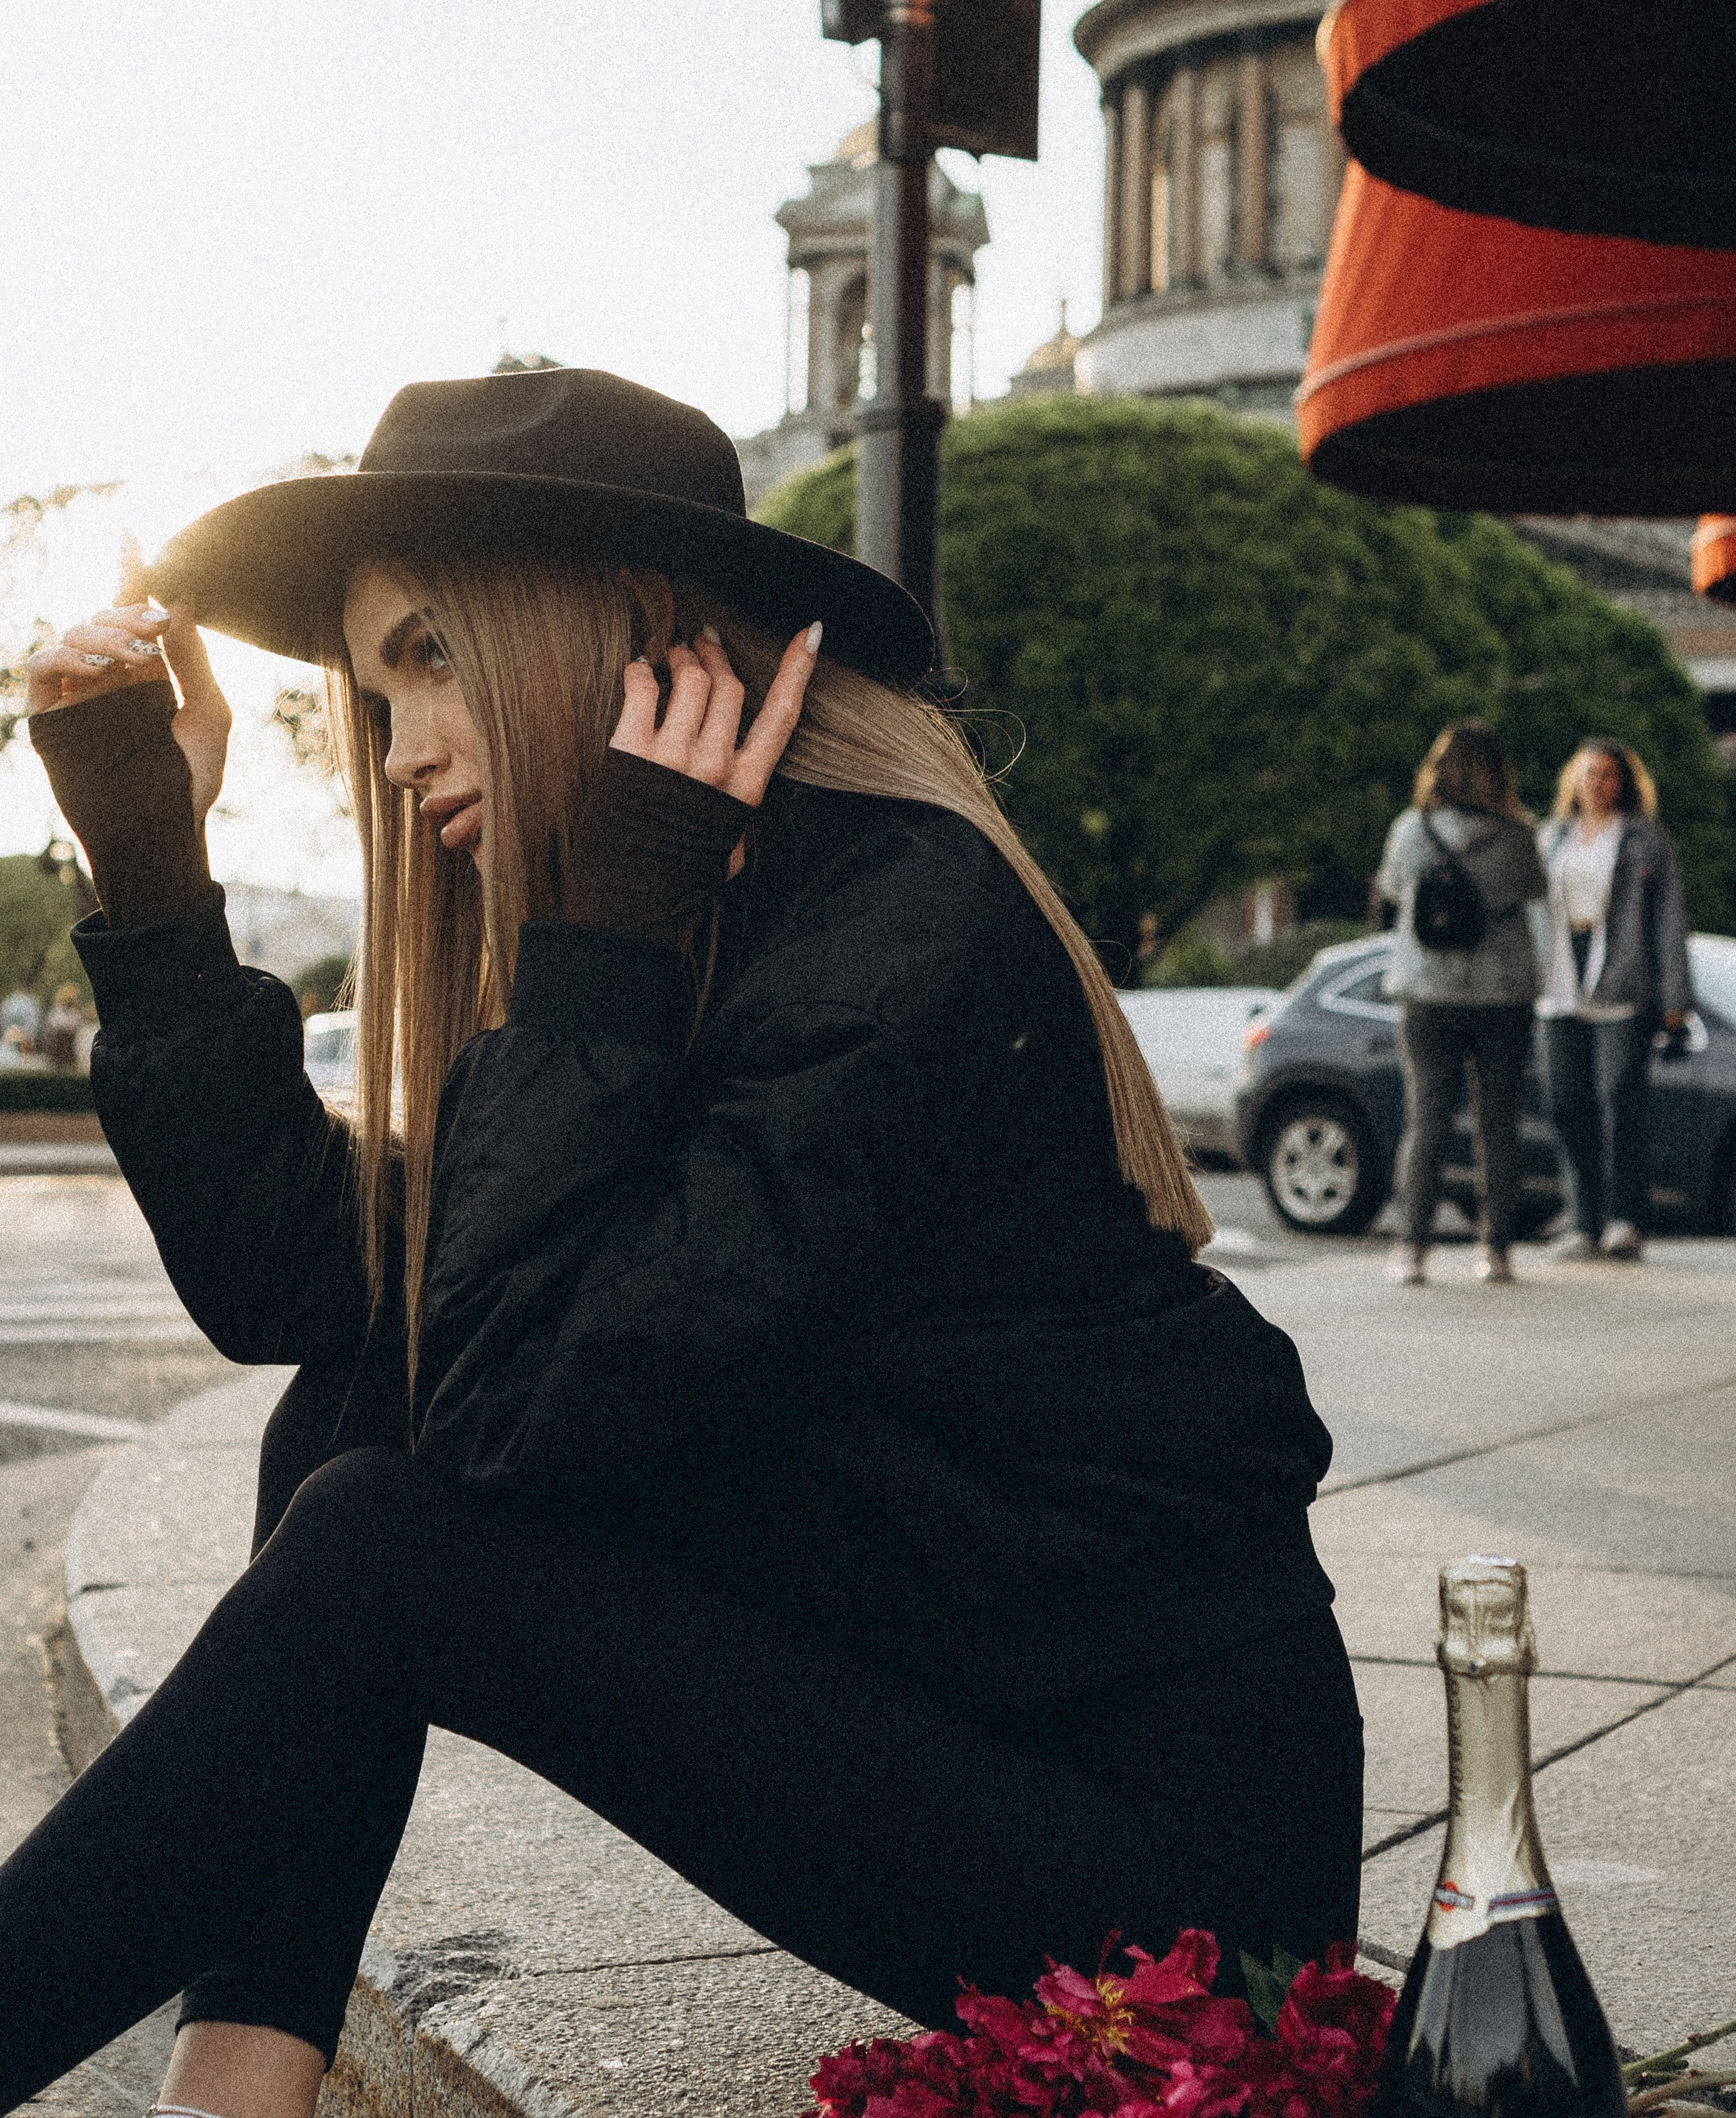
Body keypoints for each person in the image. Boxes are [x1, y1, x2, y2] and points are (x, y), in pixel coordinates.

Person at [0, 370, 1363, 2114]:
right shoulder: (661, 911)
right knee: (345, 1399)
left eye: (429, 652)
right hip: (944, 1704)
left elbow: (502, 1414)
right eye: (374, 683)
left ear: (620, 634)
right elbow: (297, 1284)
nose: (397, 741)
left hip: (1156, 1877)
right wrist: (152, 865)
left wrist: (606, 936)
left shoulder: (896, 917)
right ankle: (235, 2085)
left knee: (379, 1527)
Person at [1375, 720, 1547, 1286]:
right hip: (1503, 994)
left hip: (1426, 991)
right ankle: (1495, 1250)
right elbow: (1533, 893)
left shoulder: (1410, 831)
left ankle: (1411, 1249)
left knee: (1426, 1122)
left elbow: (1397, 891)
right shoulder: (1519, 835)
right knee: (1498, 1124)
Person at [1537, 737, 1689, 1261]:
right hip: (1559, 979)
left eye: (1607, 774)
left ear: (1624, 782)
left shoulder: (1646, 839)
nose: (1596, 783)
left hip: (1624, 981)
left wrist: (1676, 996)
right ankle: (1583, 1219)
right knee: (1565, 1102)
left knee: (1620, 1101)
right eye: (1588, 773)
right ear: (1572, 780)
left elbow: (1669, 920)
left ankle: (1624, 1219)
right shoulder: (1552, 837)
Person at [39, 983, 86, 1072]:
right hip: (56, 1050)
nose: (68, 1001)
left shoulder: (76, 1014)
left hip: (69, 1050)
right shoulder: (56, 1013)